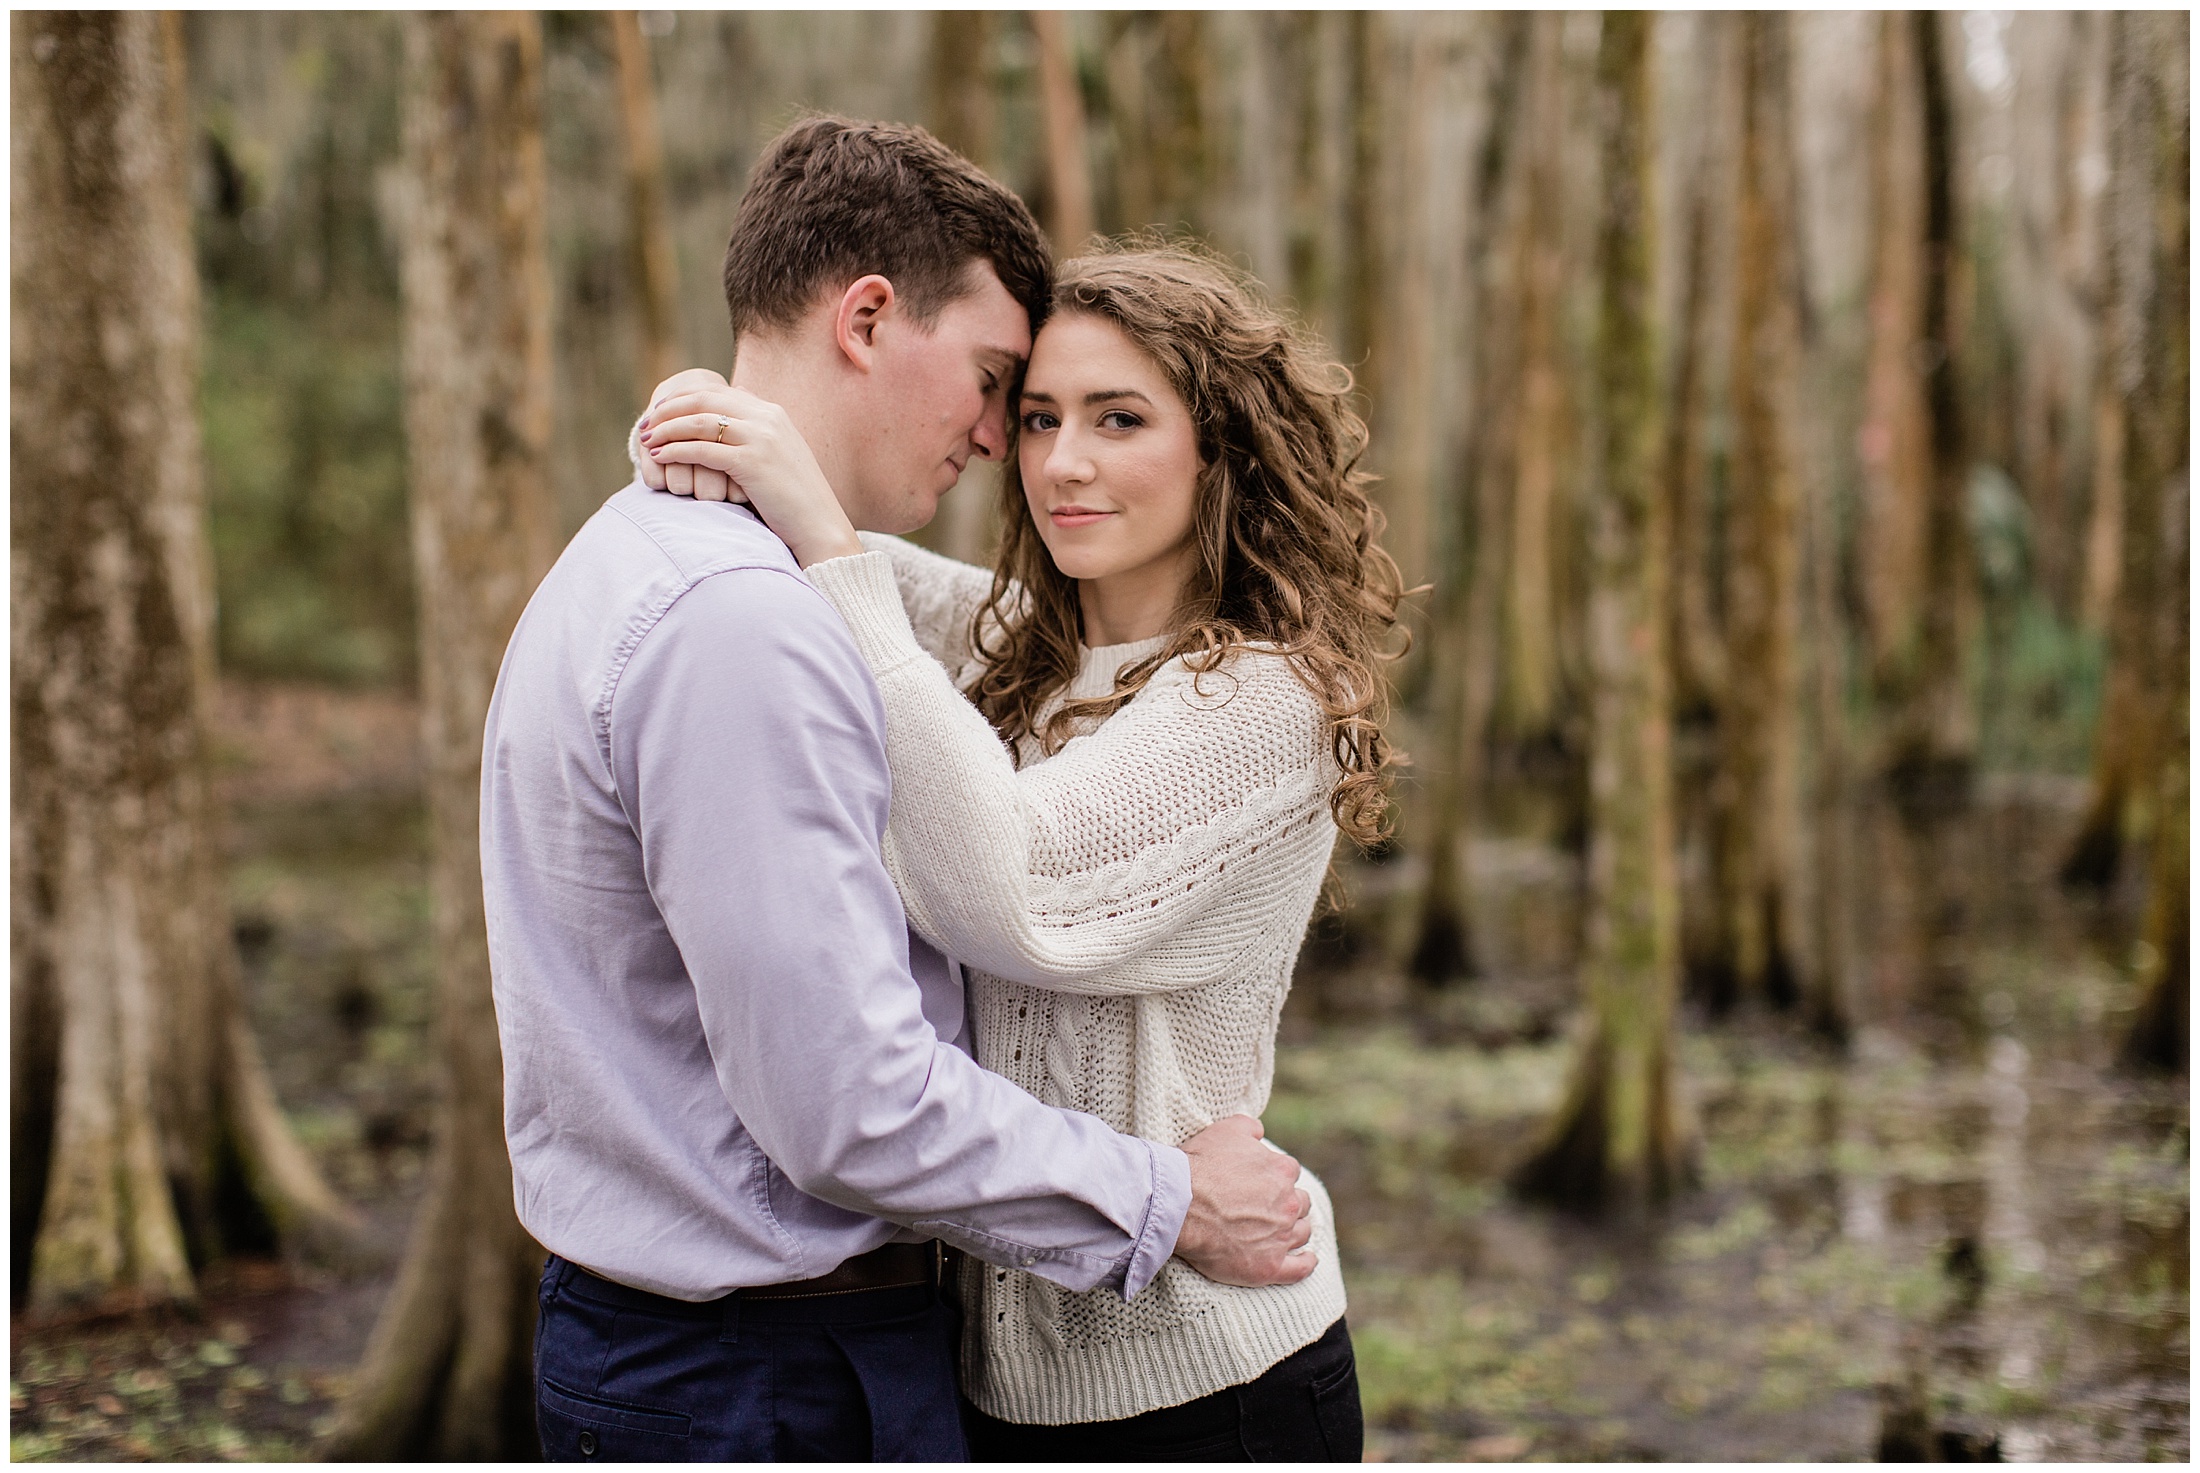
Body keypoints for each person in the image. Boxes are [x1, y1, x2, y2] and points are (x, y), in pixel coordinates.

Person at [483, 118, 1316, 1465]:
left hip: (1068, 1367)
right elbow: (850, 1105)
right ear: (868, 317)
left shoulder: (665, 558)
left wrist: (789, 485)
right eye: (1014, 395)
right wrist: (1167, 1201)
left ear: (1219, 453)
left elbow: (939, 711)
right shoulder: (748, 623)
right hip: (769, 1376)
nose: (1019, 450)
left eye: (1111, 419)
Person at [632, 242, 1407, 1460]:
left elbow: (1015, 889)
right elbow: (844, 562)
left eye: (1119, 419)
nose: (1062, 463)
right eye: (1036, 417)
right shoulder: (1023, 654)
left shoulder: (1265, 700)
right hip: (1000, 1382)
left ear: (1220, 448)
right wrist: (720, 422)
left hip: (1211, 1379)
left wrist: (824, 540)